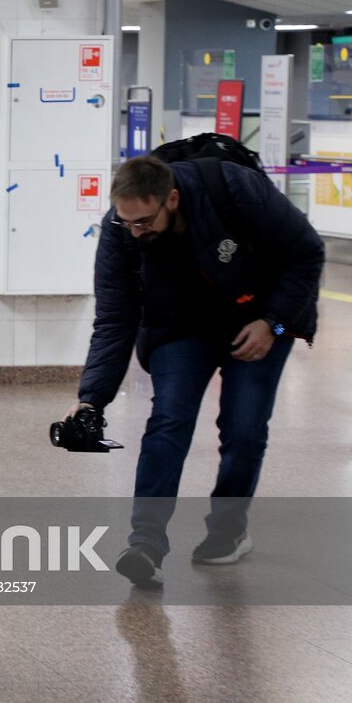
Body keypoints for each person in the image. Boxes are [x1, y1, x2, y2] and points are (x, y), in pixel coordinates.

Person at [68, 154, 323, 588]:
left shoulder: (234, 189)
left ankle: (228, 531)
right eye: (127, 222)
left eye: (144, 221)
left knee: (243, 428)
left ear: (171, 198)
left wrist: (274, 323)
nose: (136, 231)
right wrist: (91, 399)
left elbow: (306, 253)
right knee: (169, 419)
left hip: (259, 318)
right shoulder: (122, 230)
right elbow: (115, 317)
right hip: (181, 328)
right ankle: (145, 544)